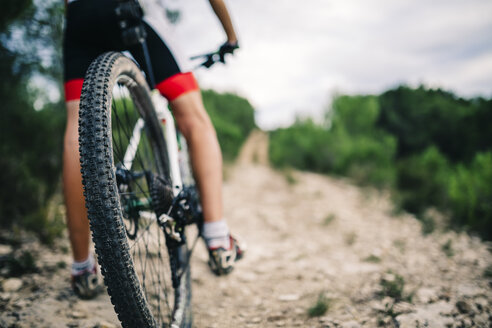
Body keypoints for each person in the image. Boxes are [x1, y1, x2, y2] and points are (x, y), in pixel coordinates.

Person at [63, 0, 244, 299]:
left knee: (76, 127)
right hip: (135, 9)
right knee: (193, 118)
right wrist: (231, 37)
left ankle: (82, 268)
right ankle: (218, 239)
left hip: (80, 14)